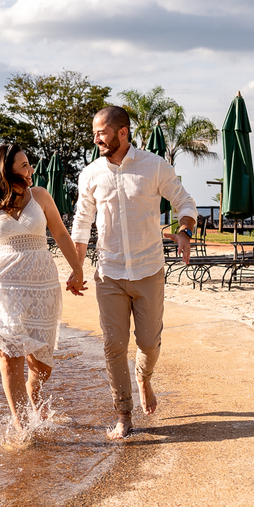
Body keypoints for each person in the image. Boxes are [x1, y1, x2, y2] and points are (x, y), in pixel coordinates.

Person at [71, 105, 197, 439]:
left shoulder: (154, 166)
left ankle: (144, 377)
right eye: (94, 133)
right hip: (108, 273)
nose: (96, 139)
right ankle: (123, 414)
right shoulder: (90, 174)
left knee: (149, 343)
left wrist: (184, 231)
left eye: (101, 133)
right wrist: (76, 268)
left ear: (122, 132)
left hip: (148, 270)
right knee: (113, 346)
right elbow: (81, 224)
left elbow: (185, 202)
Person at [0, 143, 85, 435]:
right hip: (2, 287)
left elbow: (61, 234)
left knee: (42, 365)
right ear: (5, 172)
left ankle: (34, 394)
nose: (30, 169)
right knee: (10, 359)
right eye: (24, 166)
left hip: (41, 286)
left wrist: (77, 269)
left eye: (28, 163)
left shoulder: (41, 196)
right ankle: (23, 428)